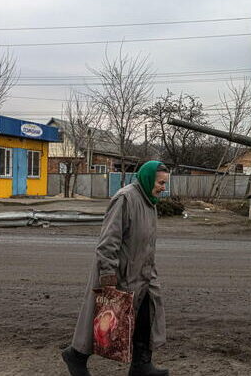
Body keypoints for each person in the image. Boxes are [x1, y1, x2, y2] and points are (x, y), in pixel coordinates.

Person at [62, 161, 170, 376]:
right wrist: (108, 274)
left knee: (146, 317)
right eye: (160, 182)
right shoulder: (125, 198)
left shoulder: (150, 202)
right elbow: (108, 241)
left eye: (165, 183)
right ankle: (76, 355)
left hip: (144, 274)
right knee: (106, 323)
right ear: (149, 178)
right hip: (121, 273)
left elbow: (146, 243)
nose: (163, 187)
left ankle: (142, 365)